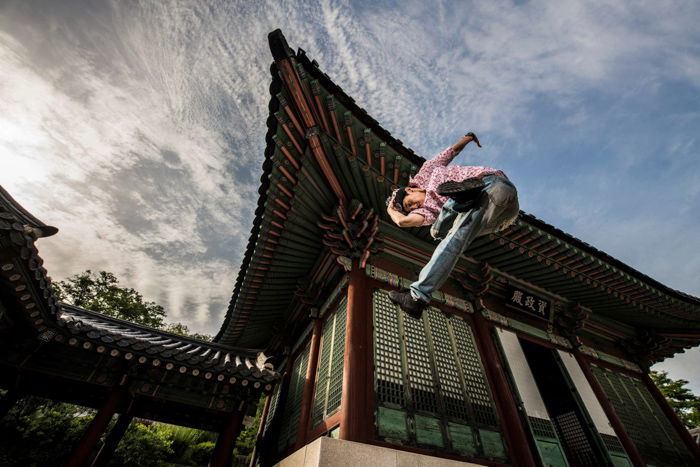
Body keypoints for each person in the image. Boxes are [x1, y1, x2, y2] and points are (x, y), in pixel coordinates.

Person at [386, 132, 519, 318]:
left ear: (409, 189)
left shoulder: (428, 172)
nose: (415, 207)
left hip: (494, 187)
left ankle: (459, 200)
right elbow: (403, 221)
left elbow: (450, 152)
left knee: (444, 227)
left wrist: (468, 138)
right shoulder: (427, 211)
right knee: (443, 234)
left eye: (410, 202)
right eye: (411, 208)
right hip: (495, 218)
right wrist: (392, 211)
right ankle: (457, 201)